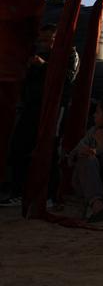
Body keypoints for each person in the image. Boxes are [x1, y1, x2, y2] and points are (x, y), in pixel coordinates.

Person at [3, 23, 79, 205]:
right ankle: (18, 193)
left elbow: (66, 78)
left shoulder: (69, 54)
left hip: (53, 108)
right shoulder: (37, 55)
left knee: (50, 150)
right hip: (32, 107)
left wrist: (44, 65)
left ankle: (51, 195)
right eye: (41, 40)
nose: (44, 44)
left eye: (48, 40)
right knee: (19, 148)